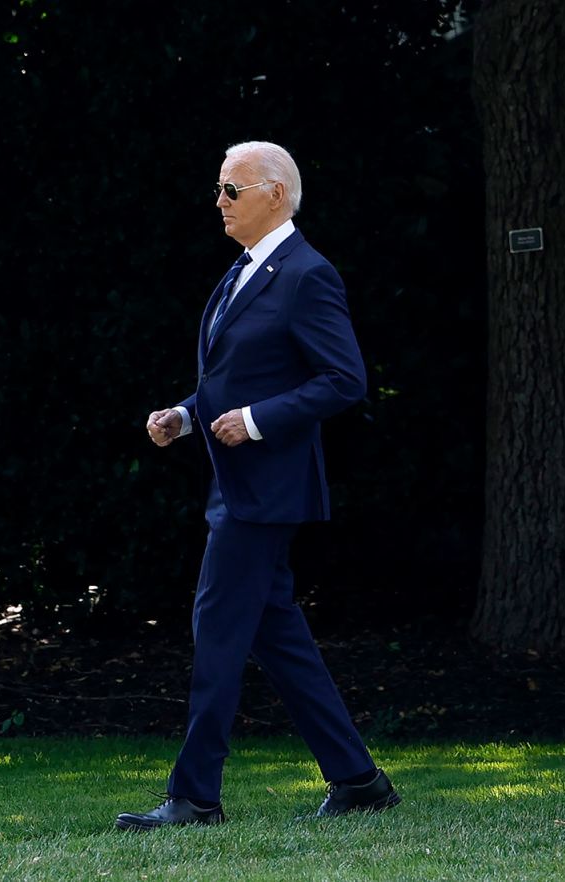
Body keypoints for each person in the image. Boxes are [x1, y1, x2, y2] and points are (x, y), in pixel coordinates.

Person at [117, 141, 399, 831]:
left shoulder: (307, 274)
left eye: (230, 190)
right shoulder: (242, 273)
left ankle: (195, 796)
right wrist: (186, 416)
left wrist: (258, 421)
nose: (219, 201)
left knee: (217, 631)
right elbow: (230, 380)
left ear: (275, 193)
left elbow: (344, 379)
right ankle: (359, 781)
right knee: (278, 637)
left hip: (266, 491)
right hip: (238, 486)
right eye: (218, 189)